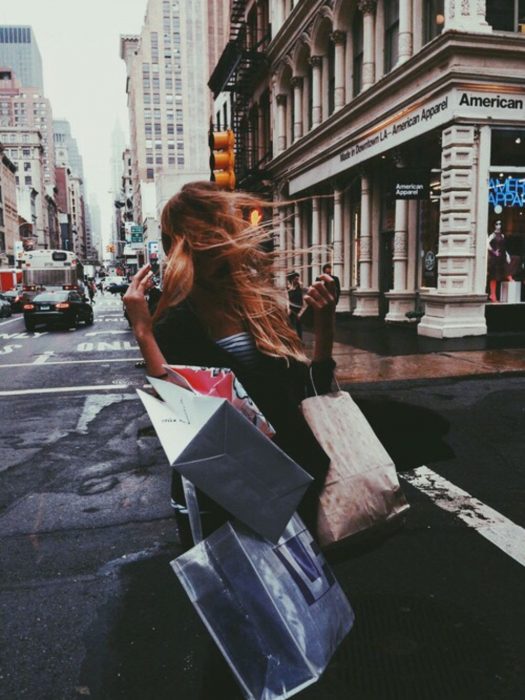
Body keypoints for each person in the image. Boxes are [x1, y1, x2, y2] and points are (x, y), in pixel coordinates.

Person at [123, 181, 336, 543]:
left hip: (289, 478)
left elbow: (308, 392)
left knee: (303, 593)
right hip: (220, 491)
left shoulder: (262, 304)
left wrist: (324, 323)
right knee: (237, 594)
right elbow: (181, 414)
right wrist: (143, 332)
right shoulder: (175, 320)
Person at [487, 220, 511, 302]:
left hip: (502, 258)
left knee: (502, 274)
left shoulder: (502, 235)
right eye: (497, 224)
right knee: (494, 276)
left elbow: (504, 247)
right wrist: (493, 251)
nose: (498, 225)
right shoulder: (492, 235)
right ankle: (493, 295)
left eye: (500, 224)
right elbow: (486, 244)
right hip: (495, 259)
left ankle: (493, 295)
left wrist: (507, 255)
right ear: (494, 225)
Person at [286, 271, 304, 338]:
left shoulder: (300, 286)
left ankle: (300, 339)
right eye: (296, 279)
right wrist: (288, 309)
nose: (297, 280)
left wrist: (301, 310)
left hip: (299, 308)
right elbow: (287, 298)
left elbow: (303, 297)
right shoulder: (288, 287)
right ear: (292, 279)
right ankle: (290, 339)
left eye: (298, 279)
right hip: (291, 308)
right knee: (289, 324)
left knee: (298, 324)